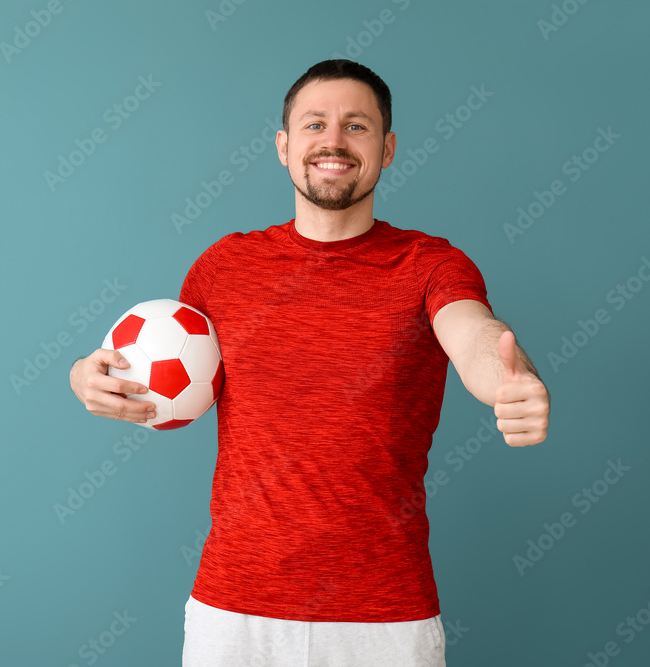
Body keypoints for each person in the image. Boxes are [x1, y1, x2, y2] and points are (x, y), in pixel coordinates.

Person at [69, 59, 550, 667]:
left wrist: (510, 381)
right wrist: (84, 374)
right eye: (315, 123)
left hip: (384, 620)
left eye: (357, 126)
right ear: (283, 145)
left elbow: (474, 332)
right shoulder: (223, 267)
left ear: (388, 147)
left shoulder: (430, 265)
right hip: (233, 614)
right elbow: (155, 368)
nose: (333, 140)